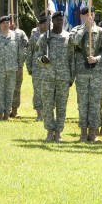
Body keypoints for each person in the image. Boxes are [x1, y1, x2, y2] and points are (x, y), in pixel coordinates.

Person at [69, 6, 102, 142]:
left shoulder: (101, 32)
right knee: (83, 103)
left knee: (94, 103)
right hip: (81, 72)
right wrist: (85, 28)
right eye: (87, 15)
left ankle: (92, 133)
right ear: (82, 16)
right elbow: (74, 41)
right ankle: (82, 133)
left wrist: (97, 58)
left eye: (92, 14)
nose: (90, 17)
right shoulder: (76, 30)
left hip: (97, 73)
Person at [35, 11, 74, 141]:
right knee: (48, 105)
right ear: (52, 21)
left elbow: (71, 59)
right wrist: (42, 60)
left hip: (63, 77)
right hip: (48, 77)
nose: (60, 21)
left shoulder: (68, 38)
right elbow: (37, 57)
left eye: (61, 19)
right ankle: (49, 131)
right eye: (57, 19)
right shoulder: (45, 37)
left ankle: (58, 132)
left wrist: (71, 77)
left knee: (61, 106)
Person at [0, 15, 25, 120]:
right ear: (0, 24)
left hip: (12, 69)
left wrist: (20, 66)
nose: (6, 24)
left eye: (8, 22)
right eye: (4, 23)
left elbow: (20, 52)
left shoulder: (15, 36)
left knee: (10, 92)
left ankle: (7, 114)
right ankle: (0, 113)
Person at [27, 13, 48, 122]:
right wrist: (29, 66)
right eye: (44, 23)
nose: (46, 25)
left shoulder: (51, 34)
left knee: (47, 91)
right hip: (37, 67)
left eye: (47, 23)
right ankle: (39, 114)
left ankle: (47, 113)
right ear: (40, 24)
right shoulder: (34, 35)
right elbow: (30, 51)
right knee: (37, 91)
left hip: (48, 67)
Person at [9, 18, 29, 118]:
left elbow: (26, 45)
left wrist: (21, 65)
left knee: (16, 88)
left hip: (18, 65)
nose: (12, 22)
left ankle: (14, 111)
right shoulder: (2, 33)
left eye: (14, 20)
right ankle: (5, 110)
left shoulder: (21, 33)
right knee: (6, 88)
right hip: (5, 65)